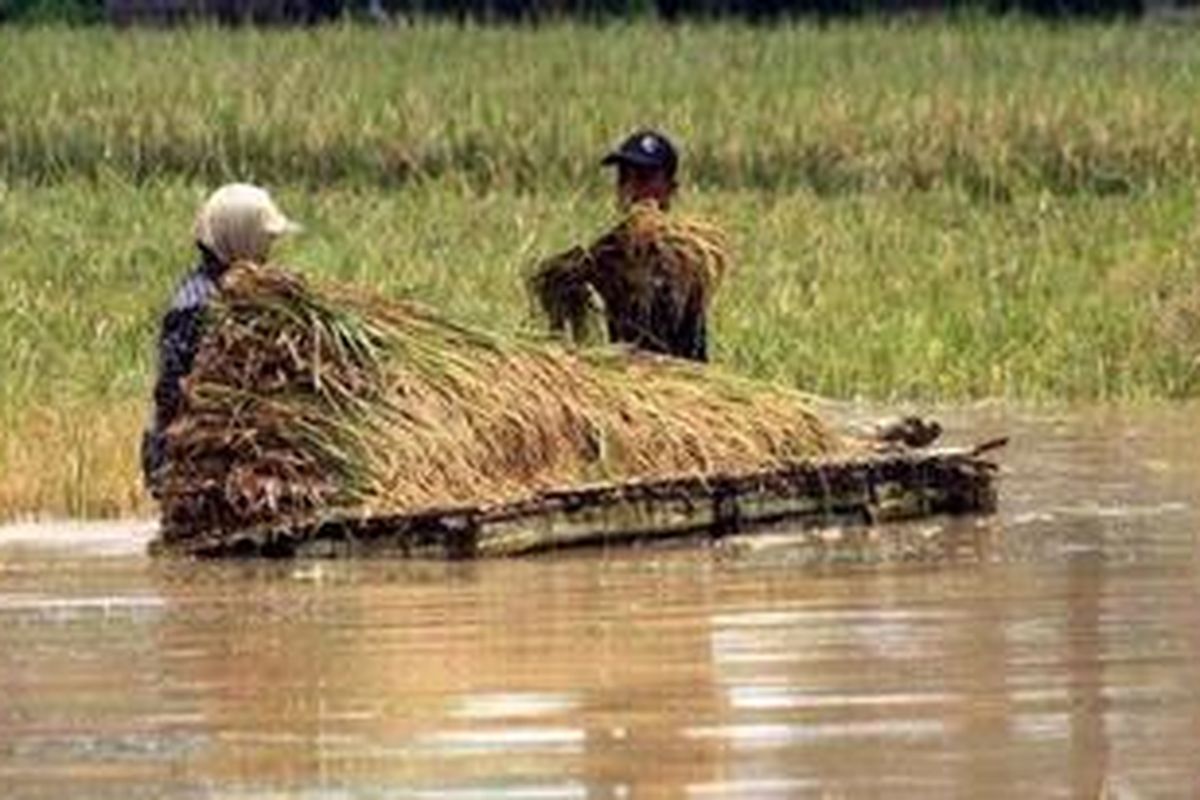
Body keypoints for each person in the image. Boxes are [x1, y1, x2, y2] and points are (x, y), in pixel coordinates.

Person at [141, 183, 301, 497]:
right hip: (190, 462)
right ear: (242, 240)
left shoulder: (238, 293)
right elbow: (172, 393)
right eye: (264, 243)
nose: (268, 254)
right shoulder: (198, 306)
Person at [530, 129, 728, 363]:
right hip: (626, 379)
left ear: (670, 190)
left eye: (644, 177)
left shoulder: (688, 256)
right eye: (624, 177)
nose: (632, 189)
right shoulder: (609, 253)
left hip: (679, 381)